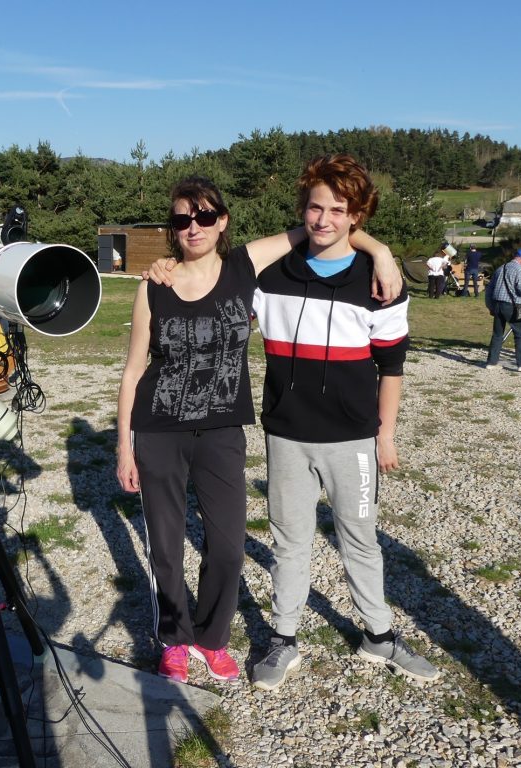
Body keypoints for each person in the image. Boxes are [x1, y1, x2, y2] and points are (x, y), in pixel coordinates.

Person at [122, 176, 402, 685]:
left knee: (228, 545)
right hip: (159, 427)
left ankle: (211, 638)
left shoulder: (244, 267)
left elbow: (321, 229)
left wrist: (380, 250)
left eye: (205, 217)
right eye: (183, 219)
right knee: (165, 543)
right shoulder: (154, 284)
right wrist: (124, 444)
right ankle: (175, 640)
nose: (194, 227)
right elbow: (134, 368)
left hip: (223, 429)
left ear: (222, 221)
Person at [247, 154, 439, 691]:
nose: (324, 219)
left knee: (359, 537)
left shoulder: (380, 283)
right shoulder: (270, 276)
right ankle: (283, 639)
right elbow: (219, 268)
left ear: (357, 215)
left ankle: (377, 635)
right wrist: (377, 244)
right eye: (315, 207)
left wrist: (386, 434)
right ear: (301, 211)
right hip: (286, 434)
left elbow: (392, 365)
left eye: (338, 209)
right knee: (290, 541)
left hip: (353, 439)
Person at [485, 247, 521, 372]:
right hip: (516, 305)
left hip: (498, 304)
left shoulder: (501, 268)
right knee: (520, 335)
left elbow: (489, 289)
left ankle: (491, 362)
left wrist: (490, 306)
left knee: (497, 334)